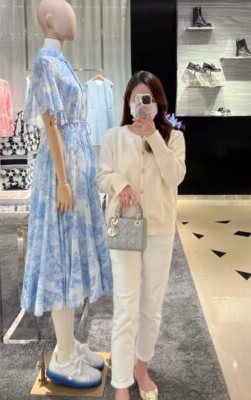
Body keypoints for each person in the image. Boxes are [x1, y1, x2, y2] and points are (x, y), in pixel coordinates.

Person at [20, 0, 112, 389]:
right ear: (49, 20)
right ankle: (62, 357)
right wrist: (62, 180)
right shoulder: (44, 62)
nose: (74, 16)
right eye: (66, 10)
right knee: (61, 255)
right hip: (63, 171)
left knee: (73, 252)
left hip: (74, 164)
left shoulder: (60, 61)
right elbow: (51, 125)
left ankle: (69, 345)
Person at [97, 71, 186, 400]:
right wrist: (119, 183)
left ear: (158, 102)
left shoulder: (174, 138)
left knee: (152, 305)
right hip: (124, 225)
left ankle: (142, 367)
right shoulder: (114, 137)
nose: (141, 105)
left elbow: (174, 177)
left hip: (160, 229)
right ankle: (121, 383)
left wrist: (154, 136)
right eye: (136, 99)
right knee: (126, 306)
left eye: (147, 99)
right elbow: (102, 177)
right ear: (128, 102)